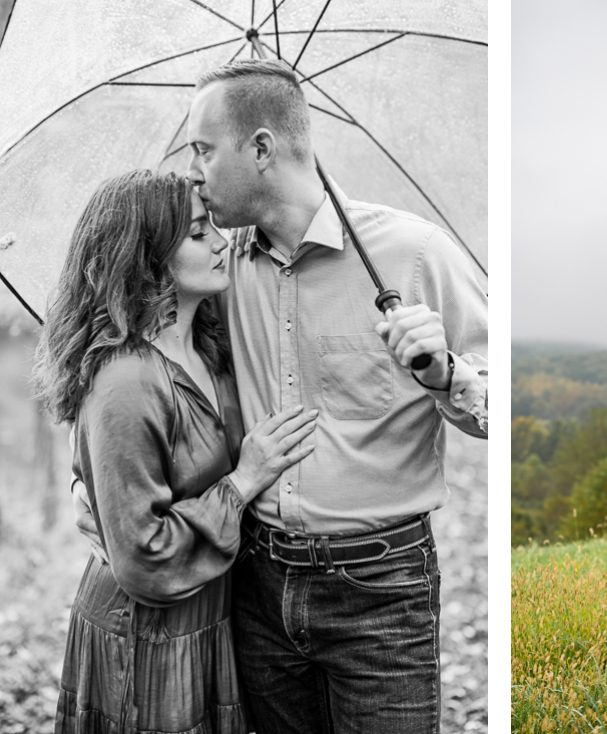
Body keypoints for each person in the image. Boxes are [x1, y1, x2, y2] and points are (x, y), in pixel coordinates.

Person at [186, 58, 486, 732]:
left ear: (261, 147)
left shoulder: (412, 254)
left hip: (381, 592)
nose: (194, 171)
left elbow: (500, 408)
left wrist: (443, 375)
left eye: (204, 150)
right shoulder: (217, 268)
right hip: (257, 583)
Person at [35, 170, 317, 733]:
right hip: (147, 634)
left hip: (211, 618)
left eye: (212, 224)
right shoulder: (126, 381)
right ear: (147, 257)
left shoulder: (212, 345)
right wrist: (245, 480)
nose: (219, 241)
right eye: (196, 232)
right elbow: (143, 558)